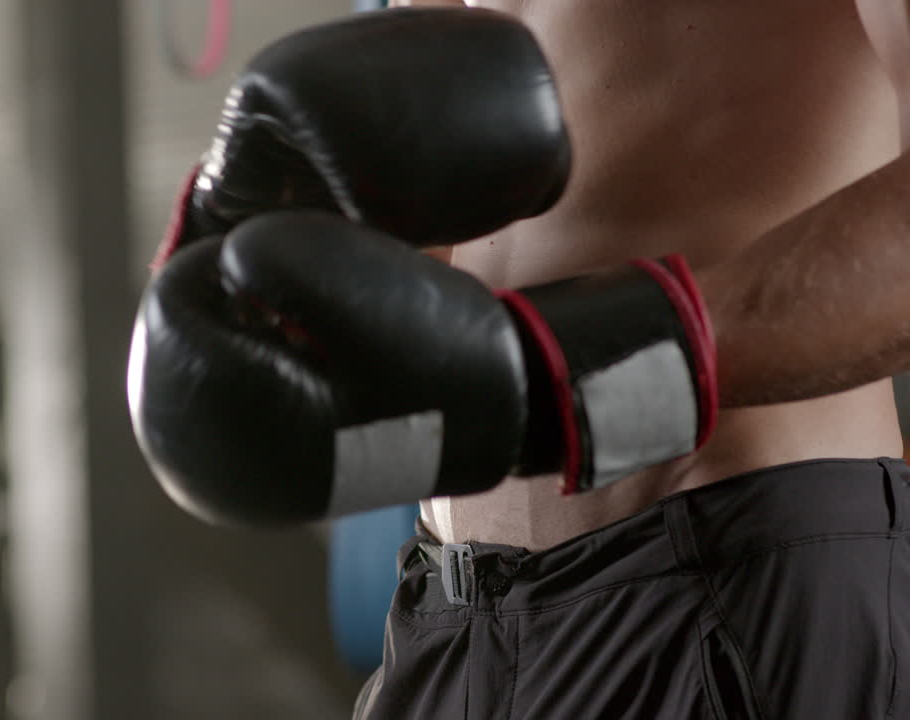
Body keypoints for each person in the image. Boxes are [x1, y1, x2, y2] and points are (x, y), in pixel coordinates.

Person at [130, 1, 910, 717]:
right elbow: (448, 213)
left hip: (724, 568)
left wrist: (584, 382)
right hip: (452, 604)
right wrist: (255, 254)